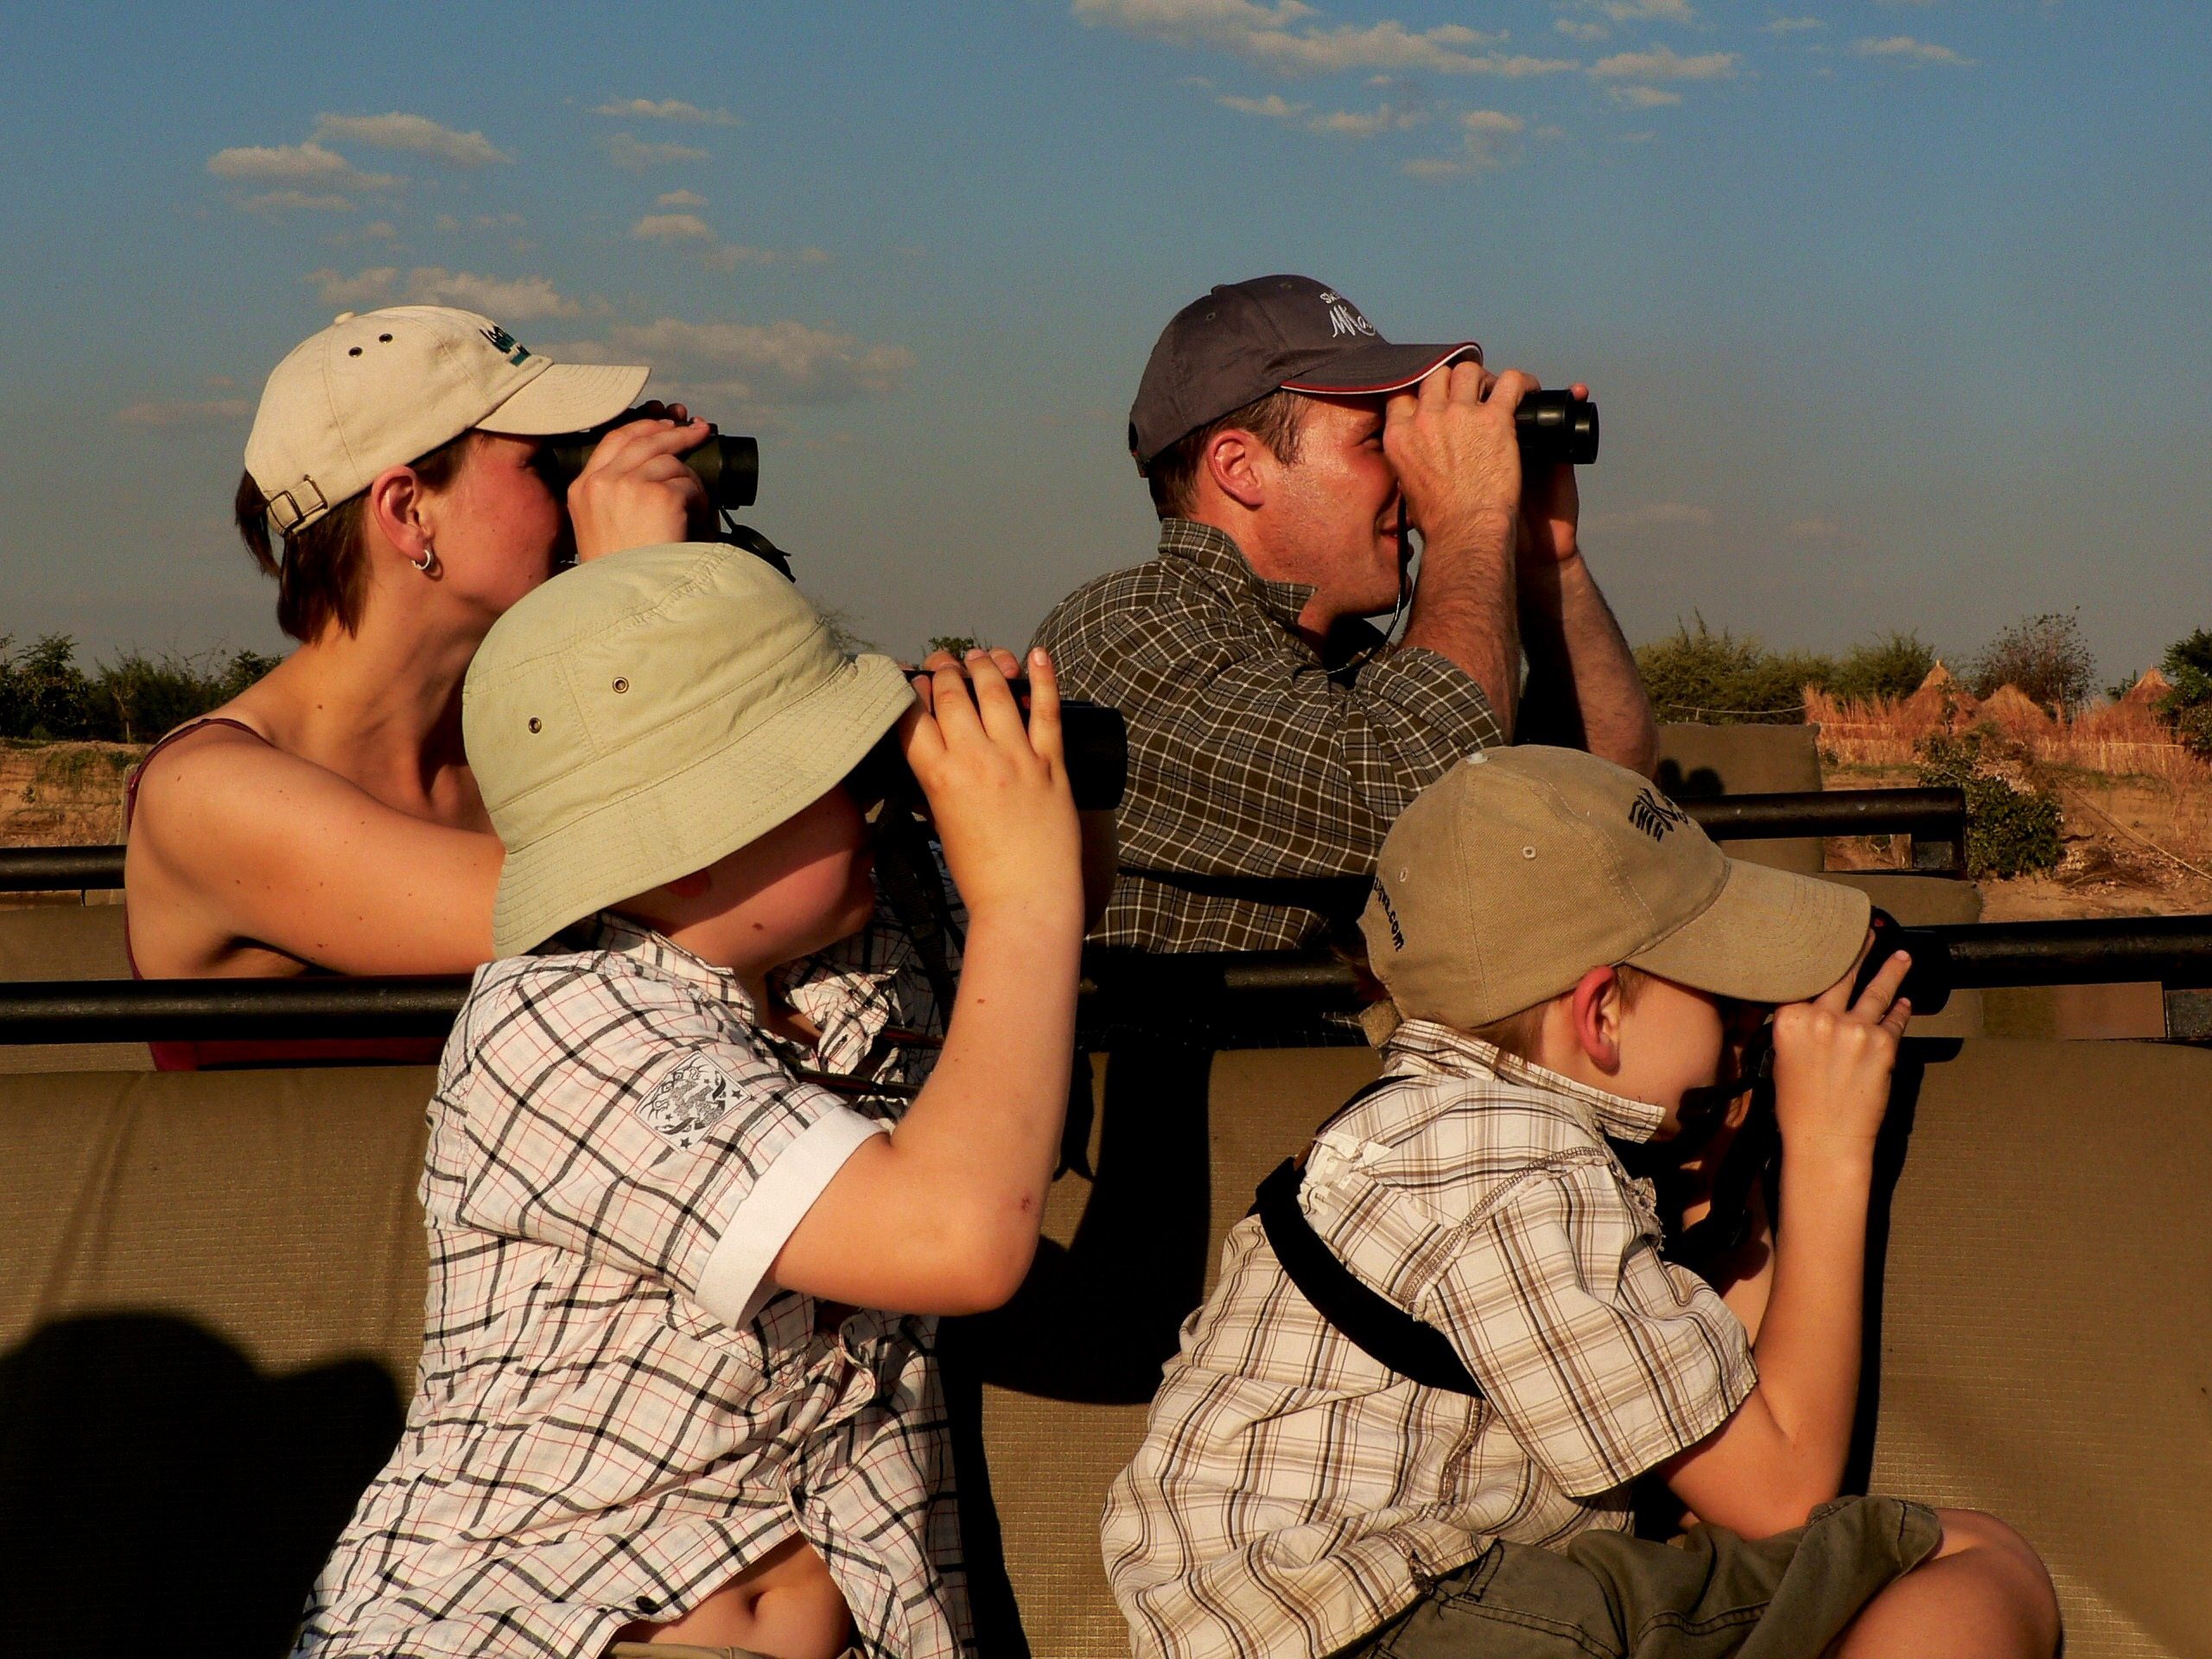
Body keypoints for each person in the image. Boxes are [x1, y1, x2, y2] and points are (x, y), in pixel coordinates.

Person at [296, 544, 1085, 1658]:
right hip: (520, 1625)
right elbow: (953, 1241)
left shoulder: (854, 956)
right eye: (837, 773)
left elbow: (1042, 948)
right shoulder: (556, 1021)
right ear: (684, 849)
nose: (876, 800)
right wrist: (1025, 898)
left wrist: (1031, 777)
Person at [1101, 746, 2061, 1659]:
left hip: (1332, 1619)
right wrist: (1828, 1147)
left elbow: (1715, 1439)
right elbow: (1778, 1496)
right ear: (1601, 1013)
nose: (1747, 1022)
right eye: (1724, 992)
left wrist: (1735, 1174)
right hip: (1394, 1623)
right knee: (1972, 1561)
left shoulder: (1436, 1129)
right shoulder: (1523, 1171)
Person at [122, 305, 708, 1046]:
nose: (581, 495)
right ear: (408, 512)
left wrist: (702, 582)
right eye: (547, 465)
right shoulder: (208, 792)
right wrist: (638, 594)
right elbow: (674, 908)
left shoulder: (518, 743)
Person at [1033, 275, 1656, 952]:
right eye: (1379, 439)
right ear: (1240, 467)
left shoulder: (1353, 661)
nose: (1413, 470)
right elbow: (1430, 798)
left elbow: (1607, 785)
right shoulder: (1127, 629)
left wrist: (1543, 561)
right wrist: (1470, 516)